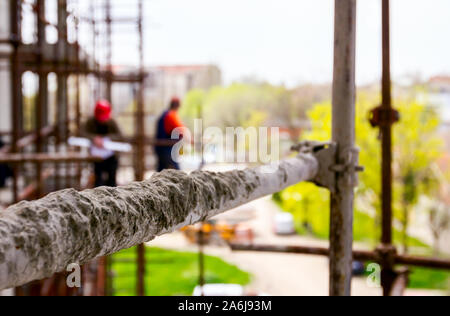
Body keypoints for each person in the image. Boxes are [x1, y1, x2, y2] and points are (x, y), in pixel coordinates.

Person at [82, 100, 122, 187]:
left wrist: (106, 139)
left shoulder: (112, 122)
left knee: (111, 180)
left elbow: (120, 136)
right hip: (96, 157)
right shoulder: (90, 122)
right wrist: (94, 138)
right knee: (98, 179)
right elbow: (82, 133)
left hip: (112, 156)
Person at [155, 97, 185, 172]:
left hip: (161, 148)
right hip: (167, 148)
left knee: (161, 171)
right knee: (178, 173)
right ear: (177, 106)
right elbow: (181, 130)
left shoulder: (165, 115)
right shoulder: (170, 115)